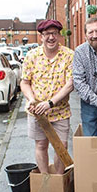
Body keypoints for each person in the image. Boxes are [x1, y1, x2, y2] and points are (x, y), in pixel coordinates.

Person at [20, 19, 74, 174]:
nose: (51, 37)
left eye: (54, 33)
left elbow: (70, 84)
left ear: (59, 35)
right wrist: (32, 100)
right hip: (37, 112)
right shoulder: (31, 56)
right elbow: (25, 83)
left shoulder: (69, 55)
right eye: (47, 34)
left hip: (60, 111)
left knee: (61, 147)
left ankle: (58, 181)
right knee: (41, 145)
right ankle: (45, 179)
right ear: (41, 37)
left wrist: (50, 103)